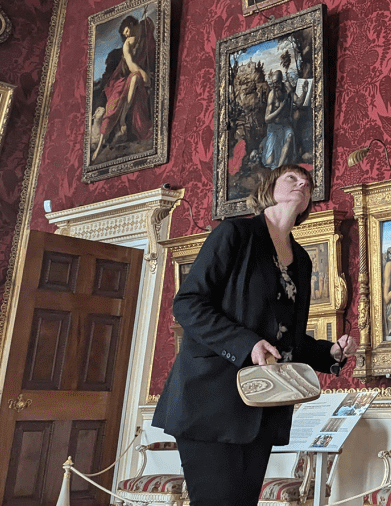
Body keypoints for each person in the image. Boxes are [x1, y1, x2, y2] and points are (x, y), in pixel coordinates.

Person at [152, 164, 358, 506]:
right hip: (210, 403)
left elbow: (285, 340)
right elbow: (188, 304)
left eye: (307, 183)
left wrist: (330, 353)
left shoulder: (302, 261)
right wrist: (247, 344)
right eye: (292, 178)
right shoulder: (234, 234)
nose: (303, 183)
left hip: (263, 408)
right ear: (268, 189)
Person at [92, 13, 153, 161]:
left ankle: (125, 122)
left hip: (137, 77)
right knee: (114, 104)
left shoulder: (145, 35)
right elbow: (131, 65)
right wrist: (143, 73)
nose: (126, 35)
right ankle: (119, 123)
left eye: (126, 31)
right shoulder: (127, 43)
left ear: (131, 25)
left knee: (136, 79)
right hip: (122, 78)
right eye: (124, 34)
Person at [259, 70, 295, 167]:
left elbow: (298, 102)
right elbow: (267, 119)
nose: (274, 86)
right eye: (273, 83)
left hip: (285, 125)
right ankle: (266, 142)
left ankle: (279, 168)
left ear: (281, 80)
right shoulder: (272, 95)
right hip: (274, 128)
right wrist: (281, 108)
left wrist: (292, 92)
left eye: (277, 83)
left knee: (290, 137)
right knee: (269, 162)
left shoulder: (287, 87)